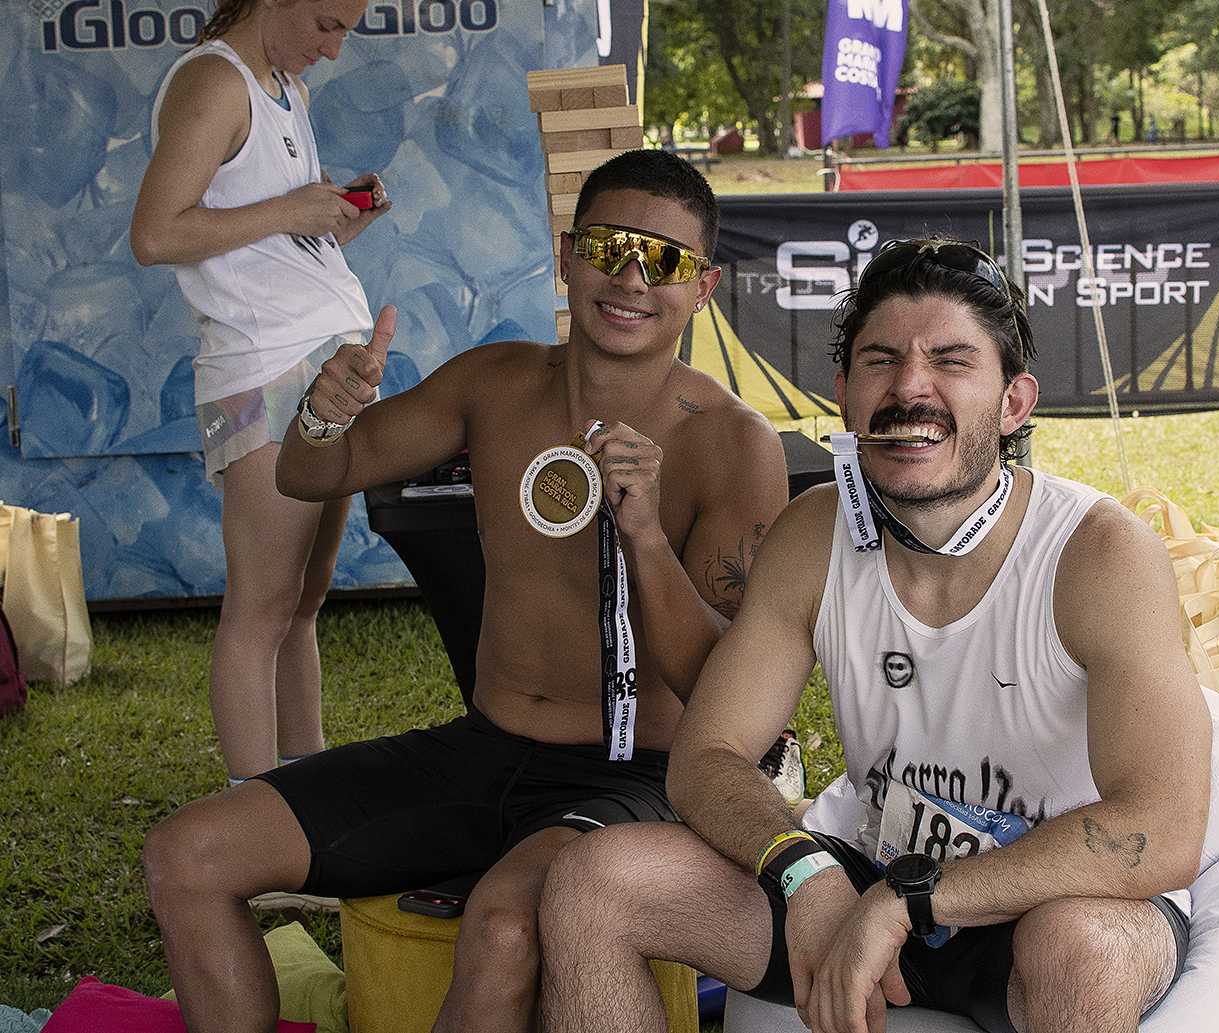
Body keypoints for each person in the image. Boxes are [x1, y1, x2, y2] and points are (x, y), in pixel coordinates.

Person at [536, 237, 1219, 1033]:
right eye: (880, 360)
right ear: (844, 392)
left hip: (1049, 898)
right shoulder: (815, 534)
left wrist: (907, 902)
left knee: (1086, 948)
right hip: (876, 870)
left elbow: (1159, 829)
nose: (910, 388)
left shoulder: (1097, 551)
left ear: (1014, 400)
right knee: (591, 882)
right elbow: (707, 755)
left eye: (952, 361)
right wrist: (804, 871)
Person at [139, 148, 791, 1033]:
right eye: (610, 247)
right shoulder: (496, 383)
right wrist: (325, 409)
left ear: (703, 285)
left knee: (504, 927)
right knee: (186, 853)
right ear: (568, 255)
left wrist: (644, 534)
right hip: (483, 749)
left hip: (637, 774)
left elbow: (724, 689)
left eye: (665, 260)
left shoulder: (732, 442)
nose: (633, 278)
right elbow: (310, 473)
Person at [130, 0, 392, 784]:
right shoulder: (215, 82)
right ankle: (254, 812)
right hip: (260, 371)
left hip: (324, 360)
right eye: (326, 24)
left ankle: (306, 788)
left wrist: (334, 219)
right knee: (263, 605)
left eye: (345, 30)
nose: (334, 49)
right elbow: (155, 234)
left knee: (303, 599)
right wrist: (291, 208)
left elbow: (270, 237)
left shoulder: (286, 86)